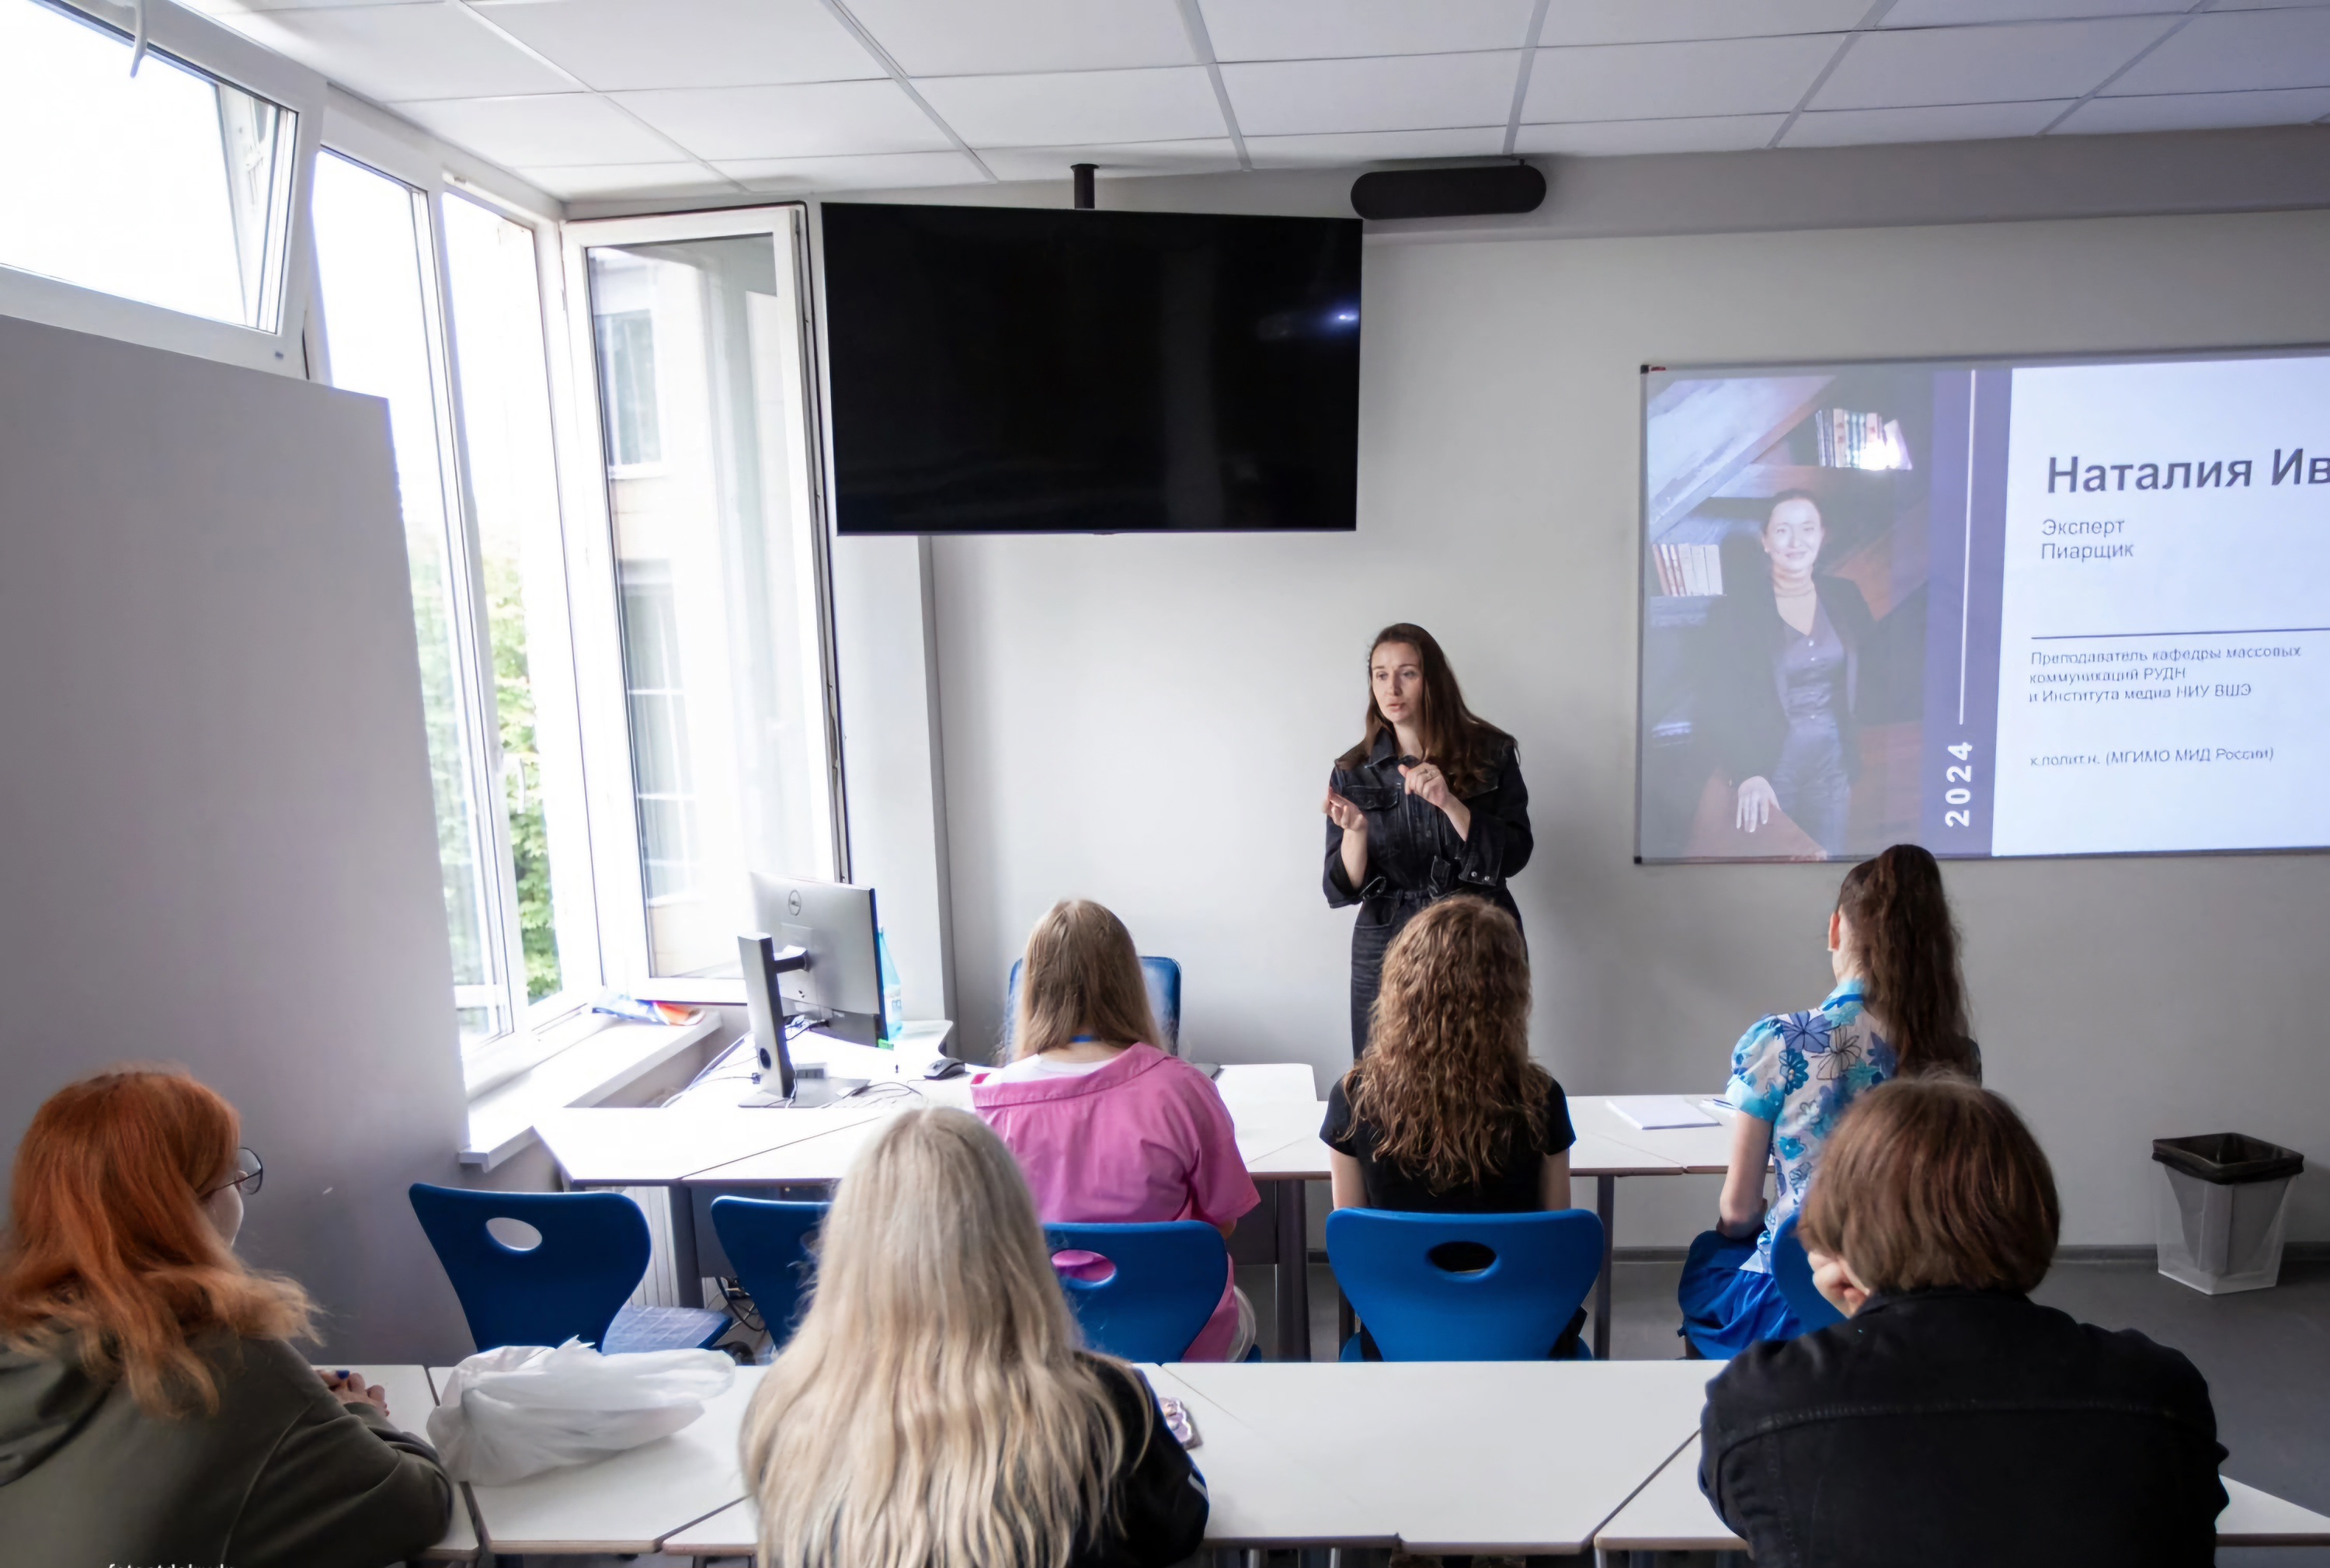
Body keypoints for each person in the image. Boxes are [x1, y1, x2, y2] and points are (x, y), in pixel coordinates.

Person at [1702, 1076, 2227, 1566]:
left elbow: (1755, 1509)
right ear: (2034, 1211)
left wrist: (1864, 1323)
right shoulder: (2160, 1393)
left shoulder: (1761, 1401)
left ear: (1845, 1228)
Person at [0, 1068, 451, 1568]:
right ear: (186, 1207)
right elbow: (416, 1504)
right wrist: (354, 1412)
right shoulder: (226, 1362)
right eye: (231, 1173)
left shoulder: (18, 1334)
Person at [742, 1106, 1208, 1568]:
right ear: (1017, 1241)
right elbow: (1181, 1527)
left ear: (847, 1245)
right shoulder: (1103, 1405)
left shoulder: (787, 1410)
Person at [1676, 843, 1978, 1356]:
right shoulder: (1957, 1056)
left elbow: (1739, 1209)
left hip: (1791, 1298)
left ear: (1837, 928)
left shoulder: (1780, 1041)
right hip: (1911, 1300)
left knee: (1715, 1250)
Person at [975, 899, 1260, 1361]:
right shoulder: (1182, 1089)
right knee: (1238, 1308)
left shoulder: (992, 1104)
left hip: (1042, 1343)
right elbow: (1223, 1222)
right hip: (1175, 1335)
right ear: (1130, 982)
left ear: (1033, 988)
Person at [1323, 897, 1578, 1356]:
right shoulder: (1542, 1098)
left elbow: (1355, 1247)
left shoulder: (1355, 1096)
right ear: (1511, 993)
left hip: (1399, 1335)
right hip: (1523, 1339)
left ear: (1402, 986)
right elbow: (1553, 1242)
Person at [1323, 622, 1532, 1057]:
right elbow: (1342, 885)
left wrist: (1452, 803)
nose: (1391, 687)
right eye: (1380, 674)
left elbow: (1513, 854)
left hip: (1476, 930)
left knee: (1484, 1069)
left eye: (1407, 673)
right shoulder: (1352, 771)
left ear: (1432, 679)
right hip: (1386, 937)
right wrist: (1356, 832)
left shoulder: (1490, 753)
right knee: (1379, 1076)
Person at [1700, 492, 1879, 857]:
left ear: (1822, 535)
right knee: (1771, 876)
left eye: (1807, 528)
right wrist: (1747, 773)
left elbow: (1872, 672)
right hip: (1767, 767)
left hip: (1832, 765)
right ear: (1765, 541)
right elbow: (1719, 701)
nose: (1796, 541)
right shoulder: (1733, 612)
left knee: (1828, 873)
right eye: (1783, 530)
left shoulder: (1846, 596)